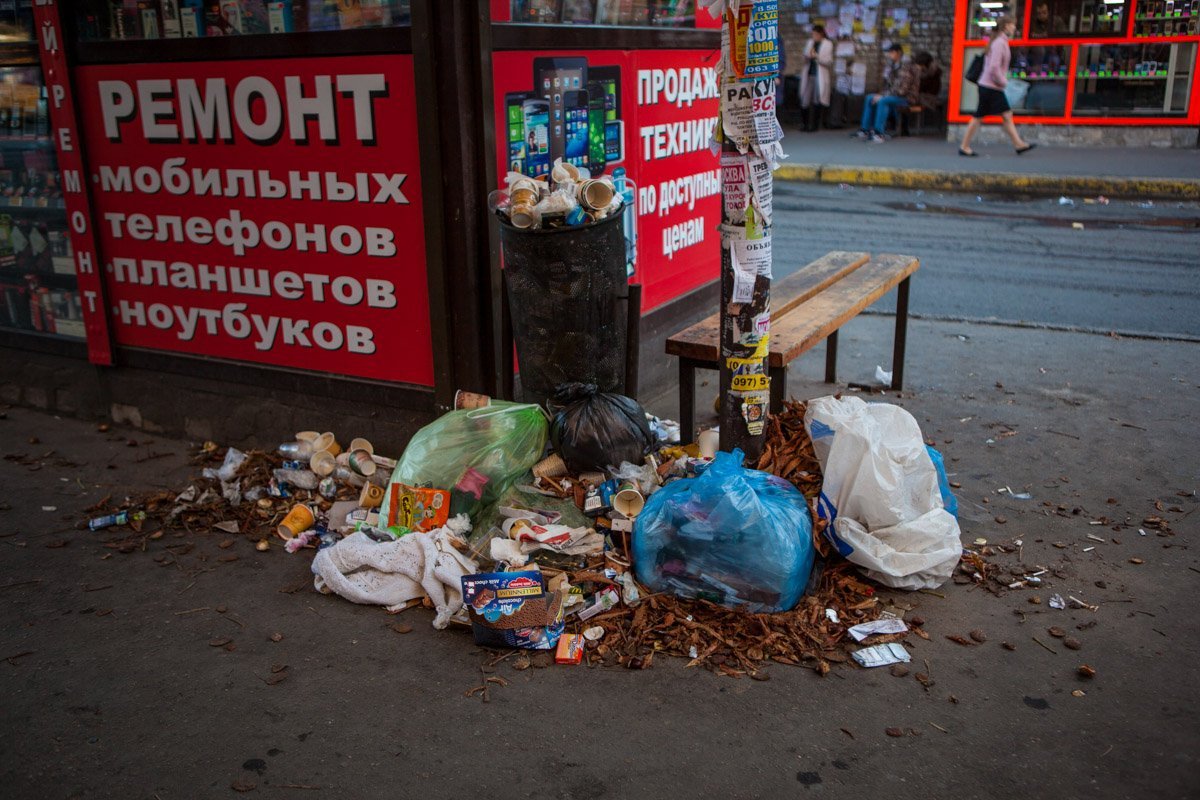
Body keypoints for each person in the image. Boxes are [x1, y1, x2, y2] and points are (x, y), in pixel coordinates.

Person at [959, 17, 1036, 156]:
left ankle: (1018, 144)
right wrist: (1004, 82)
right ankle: (964, 146)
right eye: (1013, 25)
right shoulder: (1000, 43)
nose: (1014, 28)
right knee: (985, 116)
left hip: (990, 86)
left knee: (1003, 115)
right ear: (1006, 26)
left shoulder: (999, 42)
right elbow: (994, 67)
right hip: (991, 86)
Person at [854, 44, 920, 143]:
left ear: (899, 53)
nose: (889, 55)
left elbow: (902, 90)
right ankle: (865, 130)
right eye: (889, 53)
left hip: (907, 98)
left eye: (892, 52)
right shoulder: (893, 66)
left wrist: (883, 95)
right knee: (869, 98)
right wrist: (881, 94)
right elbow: (888, 86)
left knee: (883, 101)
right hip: (894, 95)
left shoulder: (907, 67)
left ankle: (879, 133)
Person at [798, 25, 834, 132]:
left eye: (815, 34)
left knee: (817, 99)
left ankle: (814, 125)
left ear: (821, 34)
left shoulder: (828, 44)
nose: (813, 36)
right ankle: (805, 124)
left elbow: (828, 61)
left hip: (820, 75)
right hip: (809, 74)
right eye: (812, 34)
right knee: (804, 98)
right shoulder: (810, 42)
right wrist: (807, 56)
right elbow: (805, 55)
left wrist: (817, 57)